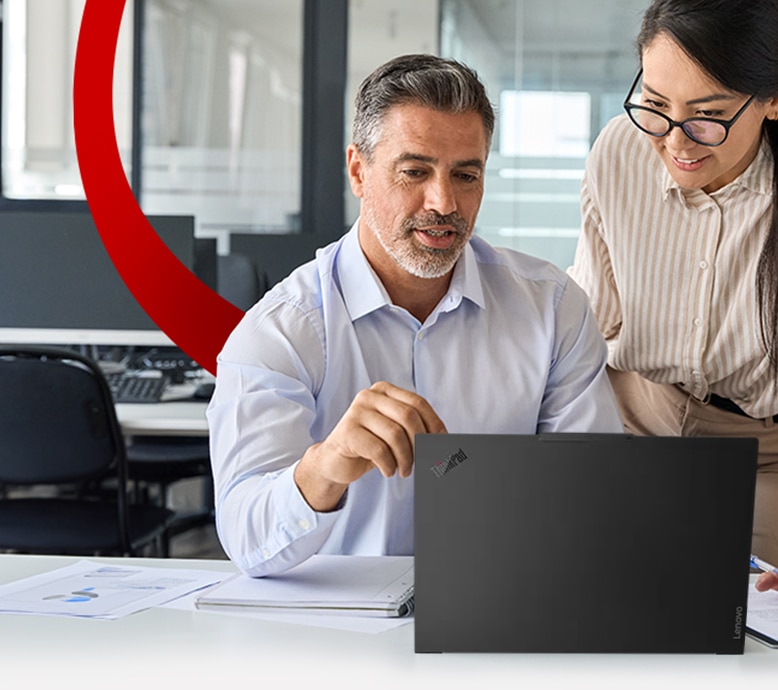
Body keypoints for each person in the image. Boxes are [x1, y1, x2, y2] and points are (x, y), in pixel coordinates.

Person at [208, 54, 623, 578]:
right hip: (339, 616)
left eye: (466, 175)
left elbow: (593, 496)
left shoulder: (552, 308)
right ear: (358, 171)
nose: (444, 202)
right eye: (415, 172)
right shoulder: (283, 329)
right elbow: (245, 538)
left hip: (502, 595)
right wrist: (325, 465)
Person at [568, 0, 778, 619]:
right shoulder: (619, 149)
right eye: (656, 104)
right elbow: (589, 314)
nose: (675, 141)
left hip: (766, 450)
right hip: (631, 421)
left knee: (744, 617)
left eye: (708, 116)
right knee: (592, 604)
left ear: (774, 99)